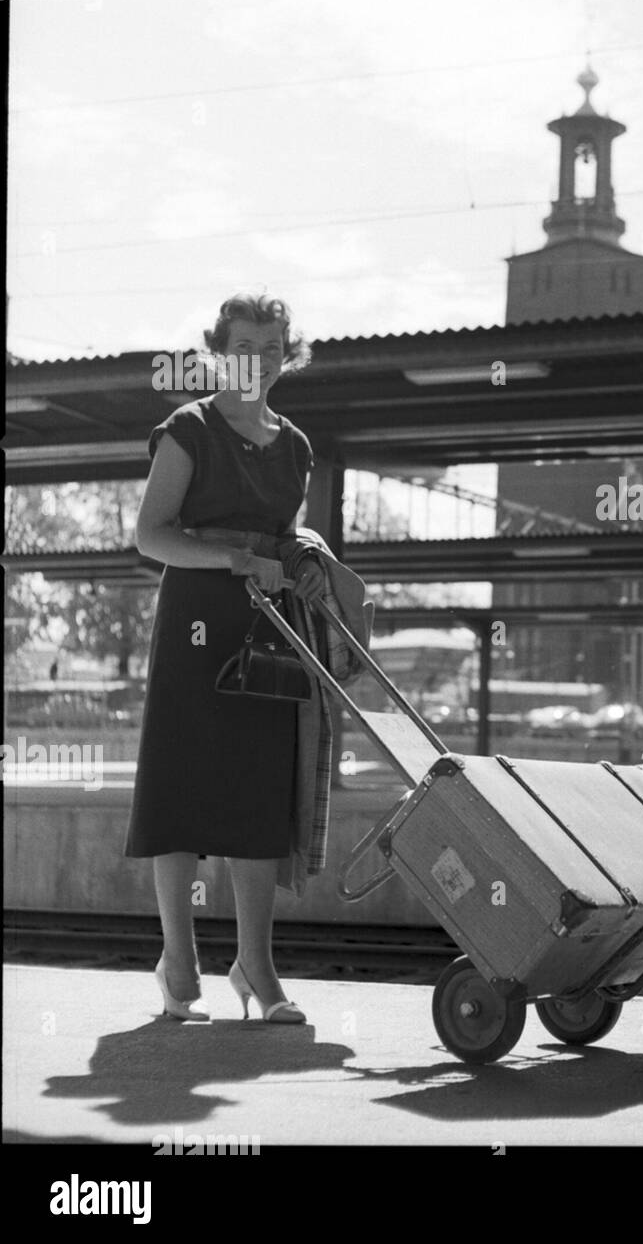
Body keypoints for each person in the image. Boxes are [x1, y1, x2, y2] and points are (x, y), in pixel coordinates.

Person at [126, 293, 327, 1023]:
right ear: (220, 349)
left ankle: (256, 967)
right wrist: (237, 558)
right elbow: (153, 535)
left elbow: (287, 535)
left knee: (257, 793)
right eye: (246, 345)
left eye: (274, 347)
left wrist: (299, 557)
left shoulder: (296, 444)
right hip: (194, 624)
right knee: (180, 789)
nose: (262, 360)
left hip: (268, 627)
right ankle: (179, 964)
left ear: (287, 354)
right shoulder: (190, 428)